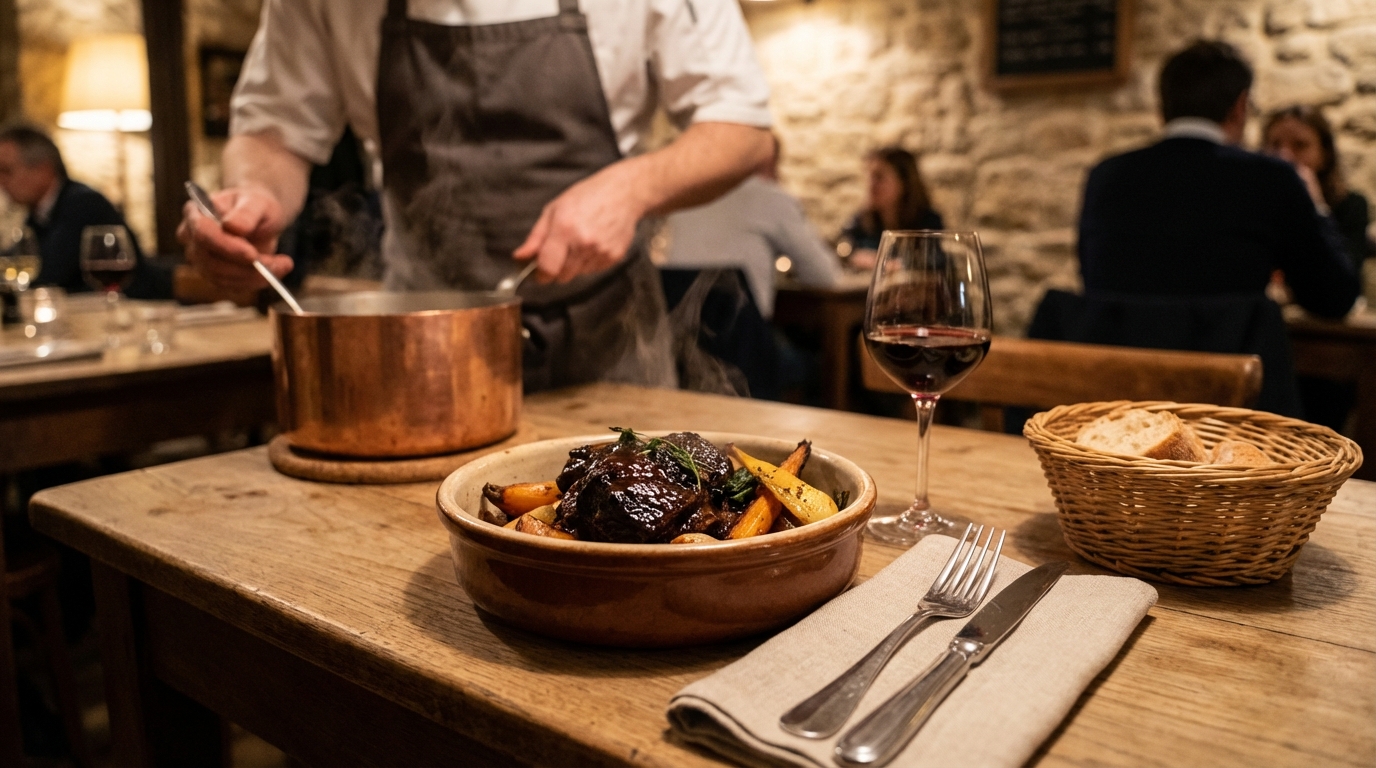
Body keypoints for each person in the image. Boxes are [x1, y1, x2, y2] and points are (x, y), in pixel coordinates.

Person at [179, 0, 773, 392]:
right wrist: (255, 195)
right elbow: (273, 132)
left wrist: (630, 188)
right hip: (422, 347)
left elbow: (741, 130)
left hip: (608, 345)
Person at [1051, 40, 1361, 417]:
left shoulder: (1107, 176)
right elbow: (1335, 297)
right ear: (1240, 106)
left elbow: (1095, 279)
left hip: (1118, 407)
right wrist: (1317, 206)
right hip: (1232, 416)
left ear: (1162, 105)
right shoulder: (1270, 178)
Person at [664, 133, 842, 320]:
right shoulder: (770, 197)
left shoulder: (687, 197)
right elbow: (823, 275)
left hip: (678, 336)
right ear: (769, 160)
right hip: (744, 342)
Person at [0, 124, 170, 299]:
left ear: (43, 169)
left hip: (134, 309)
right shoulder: (38, 213)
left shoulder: (82, 204)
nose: (1, 182)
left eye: (6, 171)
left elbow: (50, 275)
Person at [1263, 105, 1373, 268]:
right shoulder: (1255, 205)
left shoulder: (1350, 206)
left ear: (1325, 155)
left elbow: (1347, 273)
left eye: (1300, 145)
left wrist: (1317, 207)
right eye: (1275, 145)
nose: (1284, 156)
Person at [840, 147, 944, 269]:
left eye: (879, 177)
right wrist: (851, 255)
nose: (871, 184)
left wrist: (890, 264)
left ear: (904, 182)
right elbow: (842, 248)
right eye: (870, 176)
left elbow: (935, 261)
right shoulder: (862, 220)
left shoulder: (928, 221)